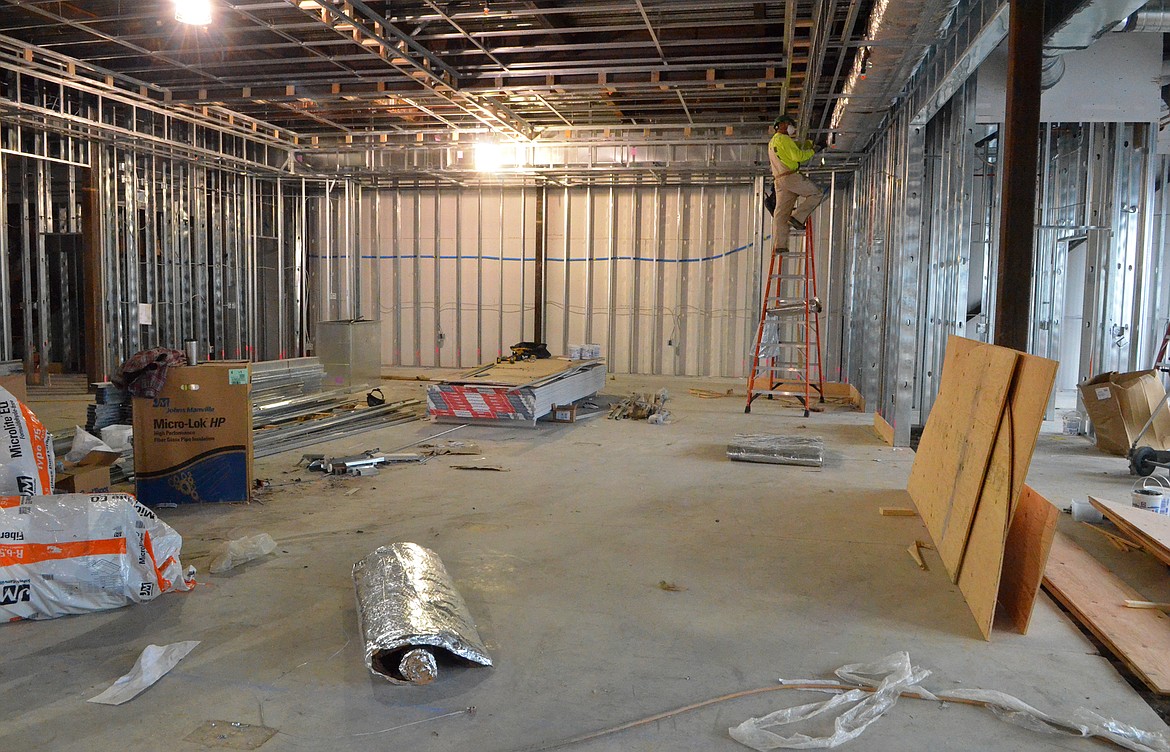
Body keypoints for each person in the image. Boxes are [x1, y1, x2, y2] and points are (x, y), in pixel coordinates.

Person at [767, 115, 825, 251]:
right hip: (790, 177)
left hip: (779, 180)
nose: (790, 127)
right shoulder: (784, 139)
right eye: (788, 123)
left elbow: (795, 148)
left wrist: (809, 144)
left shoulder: (773, 142)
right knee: (816, 194)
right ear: (781, 125)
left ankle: (780, 246)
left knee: (780, 214)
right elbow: (798, 156)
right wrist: (813, 150)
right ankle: (798, 218)